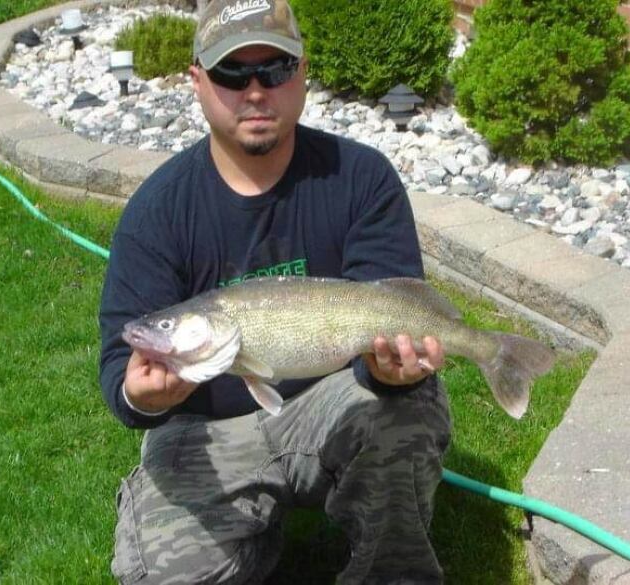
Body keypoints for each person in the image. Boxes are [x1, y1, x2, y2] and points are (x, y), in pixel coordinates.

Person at [99, 0, 452, 582]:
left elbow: (393, 309)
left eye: (276, 69)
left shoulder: (362, 179)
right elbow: (120, 365)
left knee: (407, 409)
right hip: (203, 431)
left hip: (335, 407)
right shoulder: (157, 213)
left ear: (303, 74)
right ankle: (251, 542)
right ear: (197, 82)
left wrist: (387, 372)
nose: (256, 90)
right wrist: (145, 398)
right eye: (232, 74)